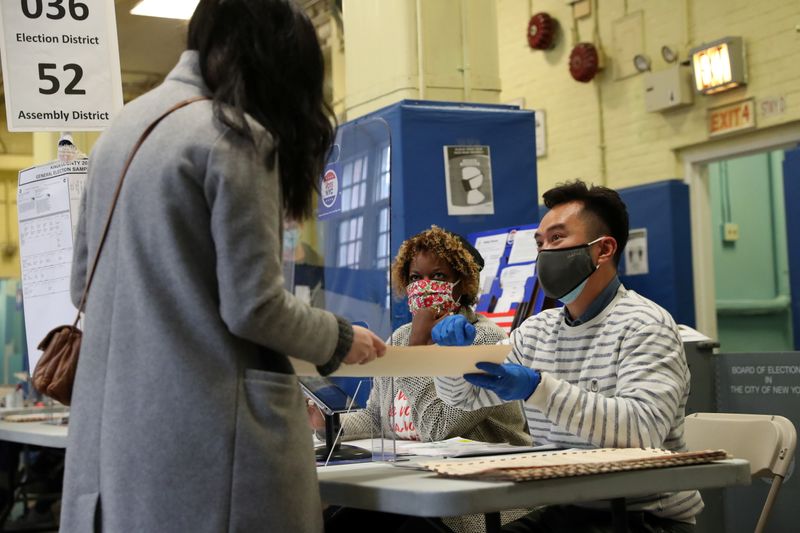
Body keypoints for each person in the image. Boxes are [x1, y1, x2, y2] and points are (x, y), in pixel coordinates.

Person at [60, 1, 385, 531]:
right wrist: (341, 338)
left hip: (116, 446)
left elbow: (82, 287)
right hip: (210, 452)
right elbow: (255, 306)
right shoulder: (232, 136)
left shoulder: (119, 133)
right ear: (267, 61)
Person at [433, 181, 701, 532]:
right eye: (540, 243)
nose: (545, 253)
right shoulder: (538, 330)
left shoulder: (645, 324)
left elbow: (641, 432)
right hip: (565, 507)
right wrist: (453, 358)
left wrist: (538, 388)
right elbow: (462, 398)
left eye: (557, 239)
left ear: (603, 249)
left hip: (641, 514)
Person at [313, 225, 530, 533]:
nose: (425, 286)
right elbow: (378, 418)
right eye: (416, 277)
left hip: (475, 503)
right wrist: (327, 424)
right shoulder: (400, 337)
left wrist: (416, 350)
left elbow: (439, 430)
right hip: (413, 488)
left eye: (438, 277)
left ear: (462, 284)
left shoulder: (483, 339)